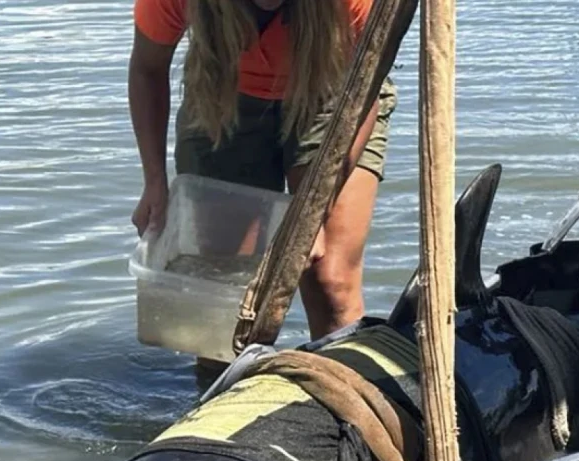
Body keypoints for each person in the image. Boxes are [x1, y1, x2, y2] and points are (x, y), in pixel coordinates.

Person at [128, 0, 397, 364]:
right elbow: (147, 68)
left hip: (336, 91)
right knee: (225, 294)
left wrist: (314, 211)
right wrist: (154, 181)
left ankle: (339, 400)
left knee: (330, 281)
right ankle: (220, 403)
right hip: (223, 95)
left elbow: (367, 83)